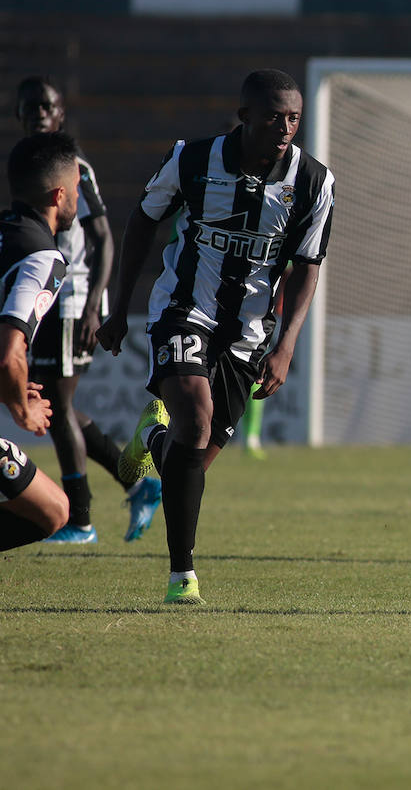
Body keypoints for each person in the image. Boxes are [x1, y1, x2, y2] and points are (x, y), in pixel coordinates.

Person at [96, 69, 335, 604]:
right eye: (273, 115)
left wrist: (287, 344)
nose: (285, 127)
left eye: (294, 118)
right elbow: (142, 222)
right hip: (186, 308)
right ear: (245, 115)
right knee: (196, 418)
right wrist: (117, 308)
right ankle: (183, 576)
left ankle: (151, 438)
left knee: (192, 462)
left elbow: (307, 266)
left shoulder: (315, 182)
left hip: (249, 332)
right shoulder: (192, 159)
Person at [15, 77, 163, 544]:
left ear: (60, 115)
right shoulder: (25, 166)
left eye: (47, 105)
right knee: (61, 406)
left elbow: (103, 238)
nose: (39, 112)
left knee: (56, 404)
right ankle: (138, 484)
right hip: (42, 295)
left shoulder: (75, 167)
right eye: (30, 106)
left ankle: (79, 519)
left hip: (69, 297)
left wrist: (94, 306)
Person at [0, 132, 81, 552]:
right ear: (58, 194)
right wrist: (20, 407)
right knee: (52, 512)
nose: (78, 203)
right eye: (77, 191)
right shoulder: (42, 259)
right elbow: (8, 352)